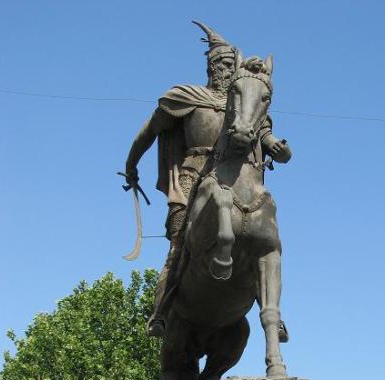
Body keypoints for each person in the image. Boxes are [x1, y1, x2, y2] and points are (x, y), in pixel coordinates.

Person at [124, 21, 291, 338]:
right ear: (210, 67)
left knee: (264, 237)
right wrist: (131, 165)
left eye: (231, 65)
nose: (226, 70)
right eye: (221, 64)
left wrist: (279, 149)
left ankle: (270, 309)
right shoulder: (187, 97)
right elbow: (148, 133)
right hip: (189, 182)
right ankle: (161, 313)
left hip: (238, 179)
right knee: (178, 243)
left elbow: (265, 135)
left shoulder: (244, 105)